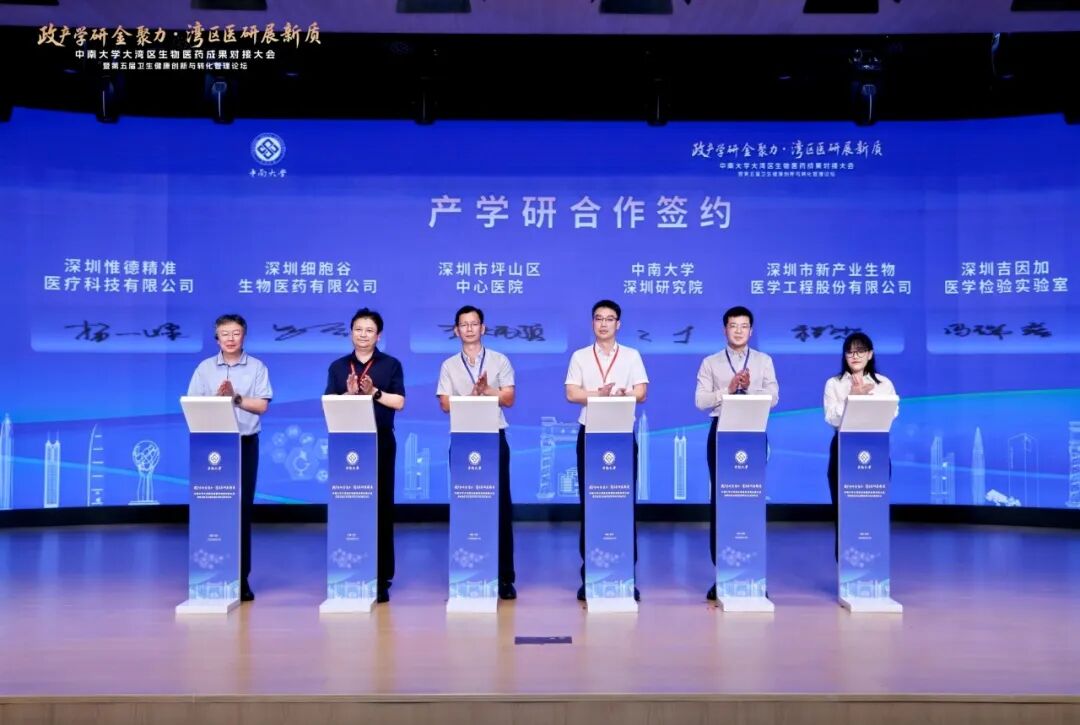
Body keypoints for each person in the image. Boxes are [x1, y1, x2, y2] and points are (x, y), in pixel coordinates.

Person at [565, 299, 648, 602]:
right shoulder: (580, 356)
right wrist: (597, 395)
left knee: (624, 504)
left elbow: (642, 391)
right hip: (590, 434)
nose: (603, 324)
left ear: (618, 324)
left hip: (621, 434)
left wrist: (626, 393)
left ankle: (626, 574)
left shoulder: (631, 355)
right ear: (592, 323)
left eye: (609, 319)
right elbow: (571, 393)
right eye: (598, 318)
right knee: (590, 504)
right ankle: (591, 575)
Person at [694, 305, 778, 601]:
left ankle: (752, 573)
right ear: (724, 330)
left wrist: (750, 391)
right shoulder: (711, 362)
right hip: (721, 430)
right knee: (721, 501)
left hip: (753, 431)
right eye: (733, 325)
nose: (738, 331)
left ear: (751, 331)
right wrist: (728, 390)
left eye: (744, 326)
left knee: (751, 500)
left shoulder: (764, 361)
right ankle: (723, 574)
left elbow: (774, 397)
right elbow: (700, 401)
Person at [187, 314, 272, 603]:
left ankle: (241, 578)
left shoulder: (257, 367)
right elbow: (192, 404)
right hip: (211, 447)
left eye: (236, 333)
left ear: (244, 336)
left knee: (241, 511)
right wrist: (216, 400)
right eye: (225, 334)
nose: (231, 339)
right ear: (217, 338)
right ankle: (210, 573)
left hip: (244, 444)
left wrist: (235, 398)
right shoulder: (204, 369)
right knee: (211, 509)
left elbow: (262, 406)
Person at [436, 305, 517, 600]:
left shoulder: (499, 360)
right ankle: (465, 571)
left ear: (483, 328)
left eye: (474, 324)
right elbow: (445, 404)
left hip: (493, 437)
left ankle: (505, 577)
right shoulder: (449, 365)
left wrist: (487, 391)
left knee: (500, 507)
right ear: (456, 330)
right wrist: (472, 396)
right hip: (462, 440)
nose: (469, 329)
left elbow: (509, 398)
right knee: (465, 506)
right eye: (464, 324)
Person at [325, 308, 406, 603]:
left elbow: (399, 402)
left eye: (369, 330)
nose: (363, 334)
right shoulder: (338, 367)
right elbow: (328, 401)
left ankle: (381, 576)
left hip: (380, 442)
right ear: (351, 332)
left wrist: (374, 392)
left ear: (378, 336)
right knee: (349, 507)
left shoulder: (390, 365)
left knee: (381, 507)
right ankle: (348, 568)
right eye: (358, 329)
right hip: (347, 445)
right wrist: (348, 396)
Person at [824, 331, 897, 561]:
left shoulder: (884, 384)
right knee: (844, 509)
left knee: (873, 508)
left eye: (860, 351)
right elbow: (831, 418)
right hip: (843, 447)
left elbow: (892, 413)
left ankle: (874, 563)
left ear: (870, 354)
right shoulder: (834, 384)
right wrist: (852, 398)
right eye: (850, 352)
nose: (854, 356)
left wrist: (867, 401)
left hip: (875, 449)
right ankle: (846, 565)